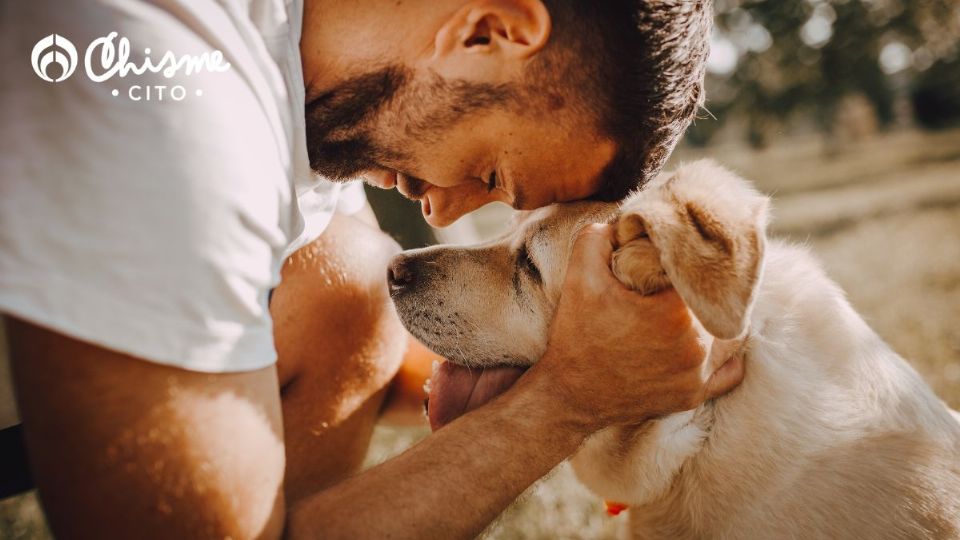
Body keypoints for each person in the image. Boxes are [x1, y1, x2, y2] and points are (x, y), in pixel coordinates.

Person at [0, 0, 741, 538]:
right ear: (489, 31)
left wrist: (613, 363)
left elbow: (363, 337)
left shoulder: (306, 76)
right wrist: (567, 402)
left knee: (349, 284)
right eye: (488, 171)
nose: (445, 214)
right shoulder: (167, 92)